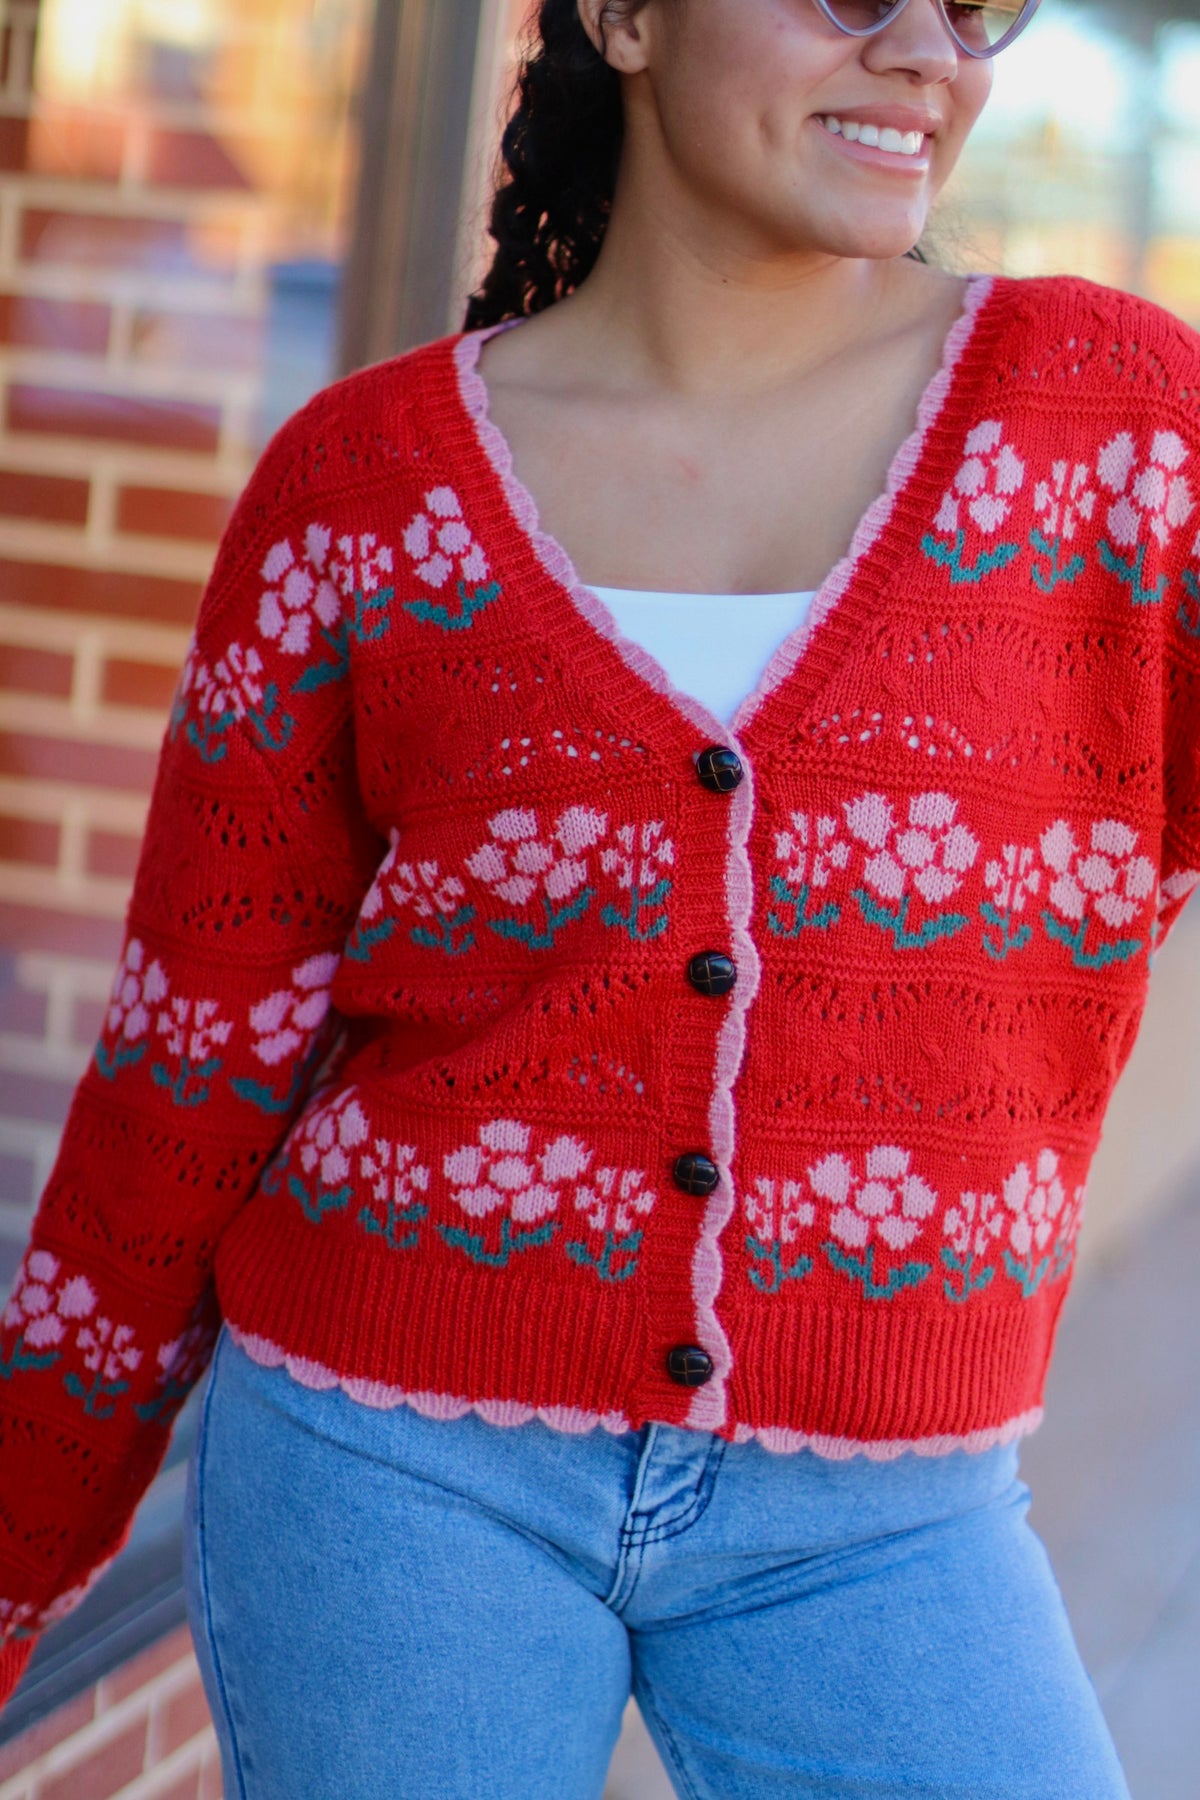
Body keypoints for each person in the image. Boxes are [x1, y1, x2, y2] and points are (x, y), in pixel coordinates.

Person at [1, 0, 1195, 1791]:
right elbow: (194, 1069)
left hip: (889, 1513)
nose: (928, 49)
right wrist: (26, 1539)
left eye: (978, 5)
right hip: (385, 1458)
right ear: (626, 18)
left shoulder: (1117, 435)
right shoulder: (362, 486)